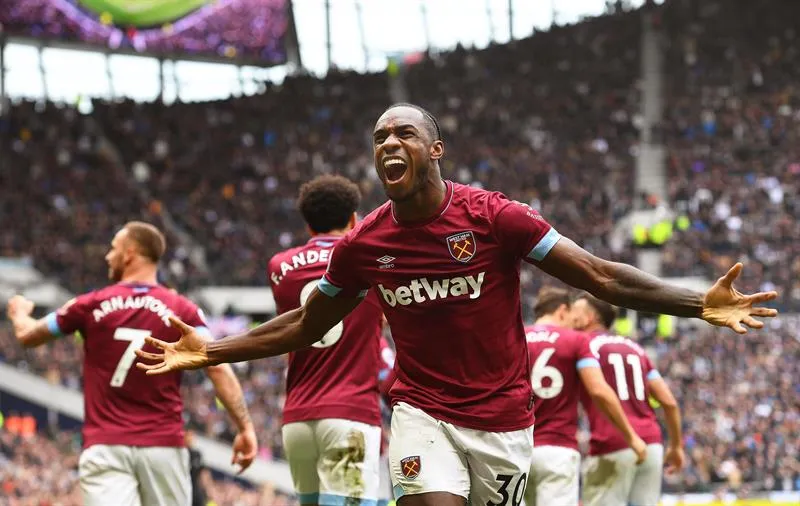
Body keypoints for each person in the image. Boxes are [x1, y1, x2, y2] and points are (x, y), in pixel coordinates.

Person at [135, 103, 776, 506]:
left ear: (434, 149)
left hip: (504, 420)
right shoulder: (364, 245)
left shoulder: (496, 218)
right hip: (422, 413)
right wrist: (209, 349)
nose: (389, 142)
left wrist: (698, 304)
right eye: (380, 136)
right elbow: (306, 323)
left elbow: (601, 277)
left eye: (404, 134)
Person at [6, 221, 257, 506]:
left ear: (130, 253)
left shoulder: (89, 304)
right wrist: (244, 428)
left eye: (113, 248)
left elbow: (28, 335)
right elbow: (217, 364)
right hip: (164, 448)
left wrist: (19, 313)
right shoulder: (181, 309)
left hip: (106, 446)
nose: (107, 256)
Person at [267, 175, 386, 506]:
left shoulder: (280, 267)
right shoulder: (369, 260)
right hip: (350, 413)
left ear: (308, 225)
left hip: (297, 417)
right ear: (353, 219)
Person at [523, 287, 646, 506]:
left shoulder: (517, 337)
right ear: (562, 311)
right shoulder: (575, 340)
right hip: (557, 450)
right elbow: (599, 390)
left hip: (519, 449)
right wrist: (631, 436)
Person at [571, 293, 685, 506]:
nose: (569, 316)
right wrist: (676, 446)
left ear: (589, 317)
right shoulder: (635, 348)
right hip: (652, 445)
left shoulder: (582, 345)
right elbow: (668, 402)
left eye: (574, 311)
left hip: (613, 443)